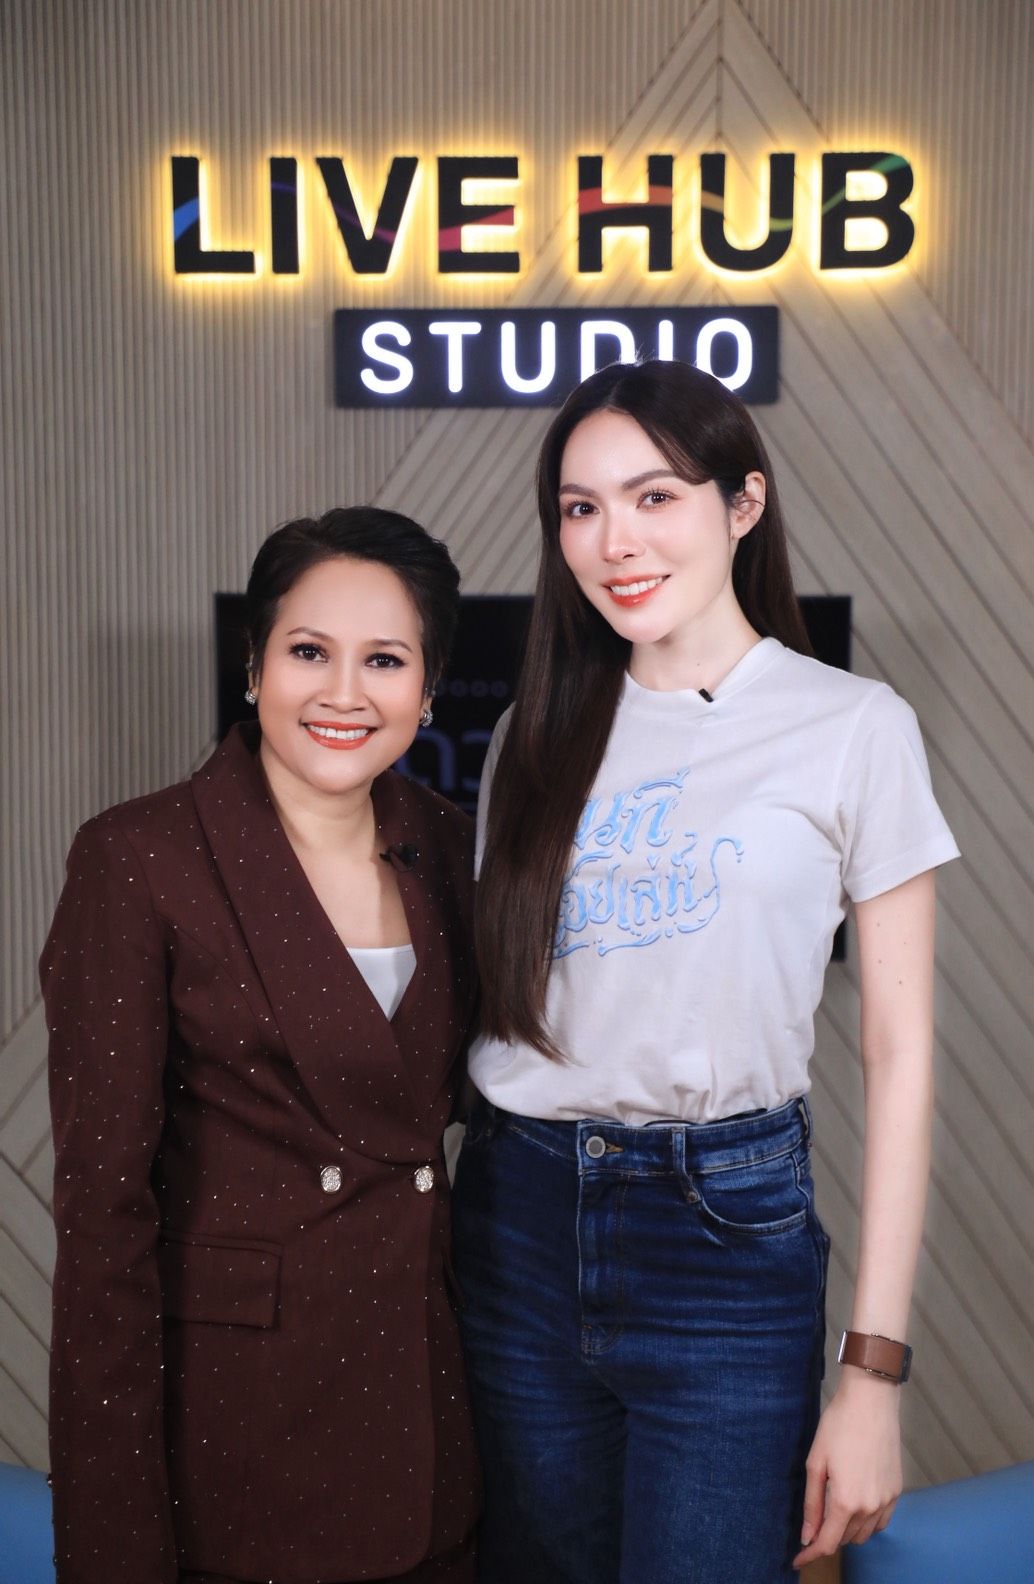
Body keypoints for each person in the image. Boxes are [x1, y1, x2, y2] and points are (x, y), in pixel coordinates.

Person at [452, 360, 959, 1584]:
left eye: (653, 497)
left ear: (741, 503)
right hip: (515, 1221)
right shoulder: (531, 732)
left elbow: (897, 1057)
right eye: (579, 508)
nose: (613, 541)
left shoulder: (853, 726)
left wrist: (871, 1374)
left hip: (723, 1235)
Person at [41, 508, 480, 1584]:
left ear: (428, 690)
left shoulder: (452, 848)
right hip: (240, 1438)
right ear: (252, 668)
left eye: (385, 660)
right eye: (308, 652)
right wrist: (113, 1543)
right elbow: (103, 1216)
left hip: (431, 1418)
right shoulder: (139, 858)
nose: (344, 693)